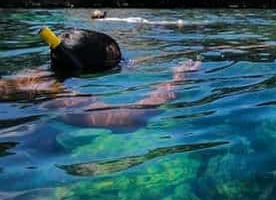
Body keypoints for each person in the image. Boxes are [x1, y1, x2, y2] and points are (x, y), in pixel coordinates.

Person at [0, 27, 199, 129]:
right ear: (84, 67)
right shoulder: (62, 96)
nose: (120, 62)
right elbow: (130, 117)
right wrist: (178, 79)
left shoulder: (32, 76)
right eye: (113, 58)